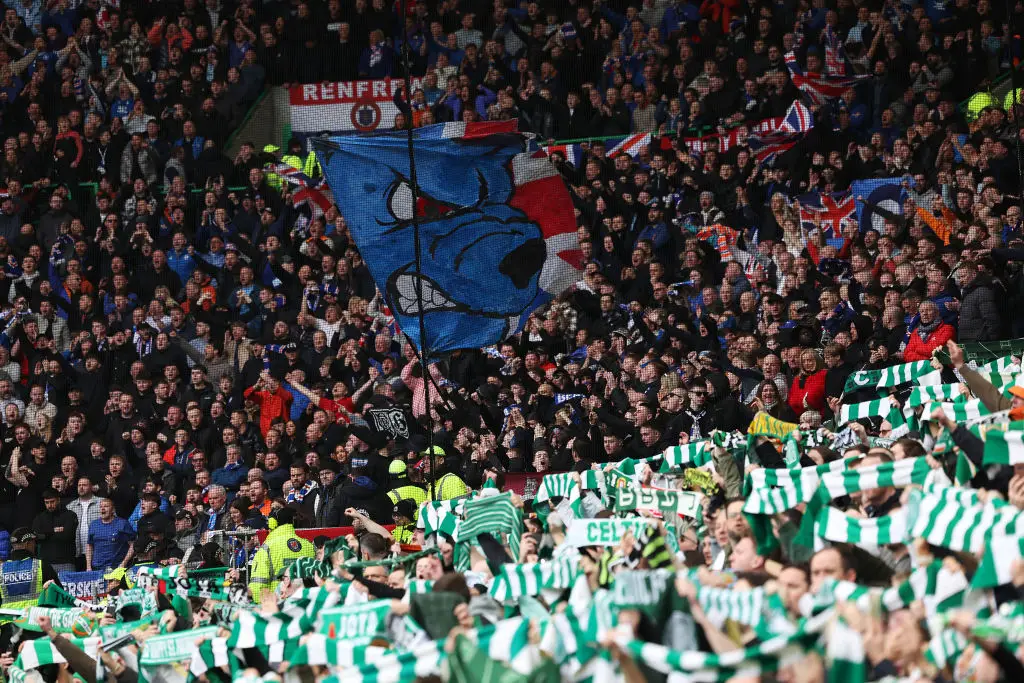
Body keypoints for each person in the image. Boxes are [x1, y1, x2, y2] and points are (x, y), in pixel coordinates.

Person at [248, 506, 314, 602]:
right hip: (305, 603)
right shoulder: (308, 545)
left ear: (272, 523)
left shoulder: (267, 548)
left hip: (278, 604)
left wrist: (262, 609)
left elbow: (258, 585)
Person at [0, 528, 60, 609]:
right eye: (34, 542)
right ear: (27, 544)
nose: (35, 545)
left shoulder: (1, 569)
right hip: (34, 619)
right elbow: (58, 595)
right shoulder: (41, 565)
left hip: (8, 620)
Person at [31, 488, 78, 574]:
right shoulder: (39, 517)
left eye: (52, 502)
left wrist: (45, 534)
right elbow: (36, 536)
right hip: (46, 563)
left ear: (58, 500)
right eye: (47, 502)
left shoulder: (70, 515)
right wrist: (54, 530)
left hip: (66, 562)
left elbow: (67, 535)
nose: (49, 505)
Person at [86, 499, 135, 571]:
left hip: (116, 568)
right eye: (101, 506)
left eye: (106, 506)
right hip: (97, 569)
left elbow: (133, 545)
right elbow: (89, 546)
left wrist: (123, 563)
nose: (102, 508)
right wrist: (88, 567)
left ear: (113, 510)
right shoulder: (94, 525)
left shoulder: (122, 523)